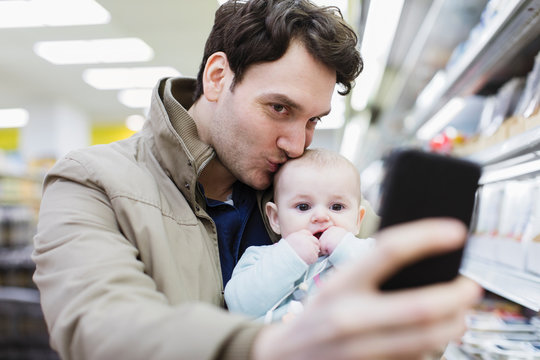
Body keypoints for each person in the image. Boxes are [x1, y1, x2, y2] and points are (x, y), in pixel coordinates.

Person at [32, 0, 482, 359]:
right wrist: (275, 348)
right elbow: (100, 327)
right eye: (279, 109)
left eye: (313, 120)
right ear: (217, 77)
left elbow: (416, 324)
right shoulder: (91, 183)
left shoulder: (315, 190)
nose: (295, 143)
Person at [225, 148, 376, 323]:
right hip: (281, 347)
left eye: (337, 207)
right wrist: (288, 256)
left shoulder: (369, 251)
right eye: (303, 207)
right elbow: (239, 307)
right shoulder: (260, 258)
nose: (321, 216)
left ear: (358, 220)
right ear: (276, 219)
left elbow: (390, 283)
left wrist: (345, 247)